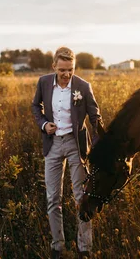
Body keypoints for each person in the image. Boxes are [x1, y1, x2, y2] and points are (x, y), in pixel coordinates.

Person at [31, 47, 103, 259]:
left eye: (70, 69)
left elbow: (95, 116)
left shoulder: (83, 86)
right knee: (53, 197)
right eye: (62, 70)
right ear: (54, 66)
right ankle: (57, 246)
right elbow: (35, 106)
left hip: (75, 144)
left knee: (81, 196)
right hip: (52, 145)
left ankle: (85, 247)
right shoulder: (44, 82)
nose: (66, 74)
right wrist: (44, 124)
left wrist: (100, 144)